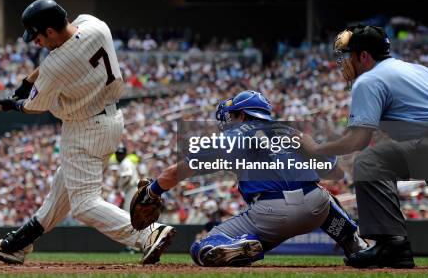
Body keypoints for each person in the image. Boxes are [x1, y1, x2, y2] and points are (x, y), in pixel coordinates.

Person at [0, 0, 175, 264]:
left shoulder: (55, 65)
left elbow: (35, 106)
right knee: (61, 191)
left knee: (84, 205)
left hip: (84, 128)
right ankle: (16, 245)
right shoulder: (94, 24)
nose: (37, 42)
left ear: (50, 31)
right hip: (111, 119)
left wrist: (16, 103)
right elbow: (58, 57)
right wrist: (27, 82)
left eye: (38, 36)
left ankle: (147, 235)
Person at [133, 90, 367, 267]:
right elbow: (336, 174)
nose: (227, 122)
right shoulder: (293, 132)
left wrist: (152, 191)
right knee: (323, 196)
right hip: (316, 207)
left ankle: (234, 245)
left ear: (242, 115)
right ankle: (353, 243)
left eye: (231, 116)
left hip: (270, 214)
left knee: (202, 247)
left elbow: (176, 173)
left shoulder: (232, 137)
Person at [302, 25, 428, 269]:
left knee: (370, 162)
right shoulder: (416, 69)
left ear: (364, 56)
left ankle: (392, 244)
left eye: (349, 55)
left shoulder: (370, 79)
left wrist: (316, 149)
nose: (345, 63)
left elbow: (357, 141)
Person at [115, 145, 139, 213]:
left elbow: (127, 176)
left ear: (125, 154)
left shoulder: (125, 163)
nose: (119, 156)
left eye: (121, 154)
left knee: (128, 212)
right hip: (130, 189)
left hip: (132, 189)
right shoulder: (125, 162)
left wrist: (120, 187)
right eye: (118, 154)